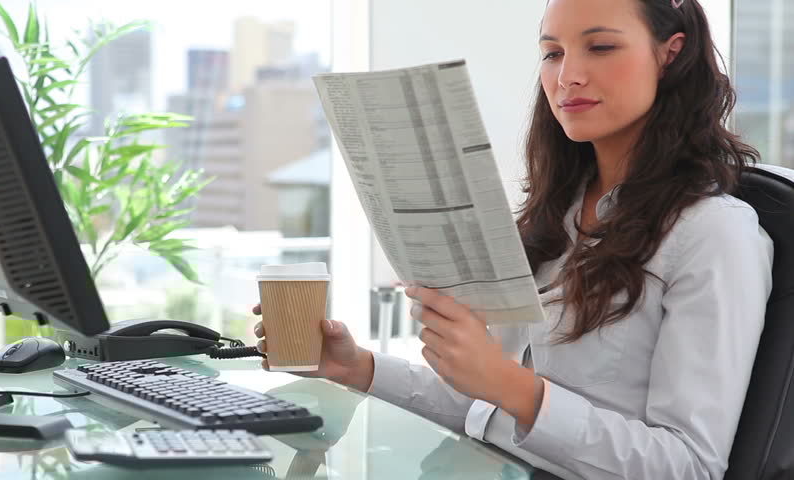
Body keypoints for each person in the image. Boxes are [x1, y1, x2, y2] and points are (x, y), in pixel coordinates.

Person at [253, 0, 774, 478]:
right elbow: (485, 409)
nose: (567, 76)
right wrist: (359, 367)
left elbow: (688, 466)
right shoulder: (558, 216)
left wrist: (509, 385)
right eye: (552, 54)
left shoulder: (713, 234)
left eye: (601, 46)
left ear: (671, 54)